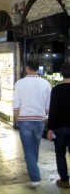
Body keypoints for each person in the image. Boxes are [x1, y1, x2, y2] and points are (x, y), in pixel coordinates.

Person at [13, 60, 51, 189]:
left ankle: (35, 178)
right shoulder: (45, 83)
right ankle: (32, 167)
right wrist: (44, 114)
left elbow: (16, 104)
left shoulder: (20, 83)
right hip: (40, 119)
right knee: (35, 147)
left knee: (28, 149)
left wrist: (17, 119)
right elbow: (48, 103)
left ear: (28, 68)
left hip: (25, 120)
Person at [47, 62, 70, 188]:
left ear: (61, 74)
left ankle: (64, 180)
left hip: (60, 128)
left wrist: (50, 128)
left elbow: (53, 110)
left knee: (60, 154)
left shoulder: (56, 90)